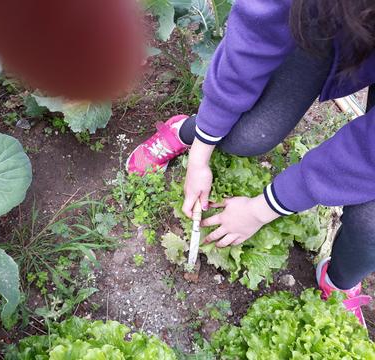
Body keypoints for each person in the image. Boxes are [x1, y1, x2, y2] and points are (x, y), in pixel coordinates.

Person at [127, 0, 375, 326]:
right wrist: (200, 154)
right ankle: (186, 131)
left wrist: (261, 209)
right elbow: (254, 36)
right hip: (330, 20)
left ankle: (339, 282)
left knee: (370, 225)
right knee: (248, 134)